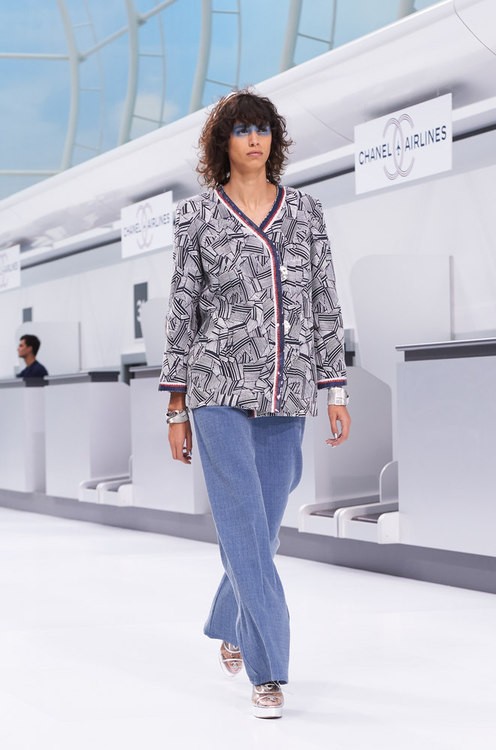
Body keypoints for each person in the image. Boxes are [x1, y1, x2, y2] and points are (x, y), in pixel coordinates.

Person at [159, 90, 351, 719]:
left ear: (274, 139)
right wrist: (176, 408)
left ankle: (228, 616)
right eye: (242, 129)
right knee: (242, 520)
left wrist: (335, 388)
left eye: (262, 129)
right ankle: (268, 671)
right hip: (215, 388)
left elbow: (324, 303)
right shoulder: (196, 217)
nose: (254, 139)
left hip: (288, 387)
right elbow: (182, 314)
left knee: (263, 527)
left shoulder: (306, 213)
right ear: (224, 142)